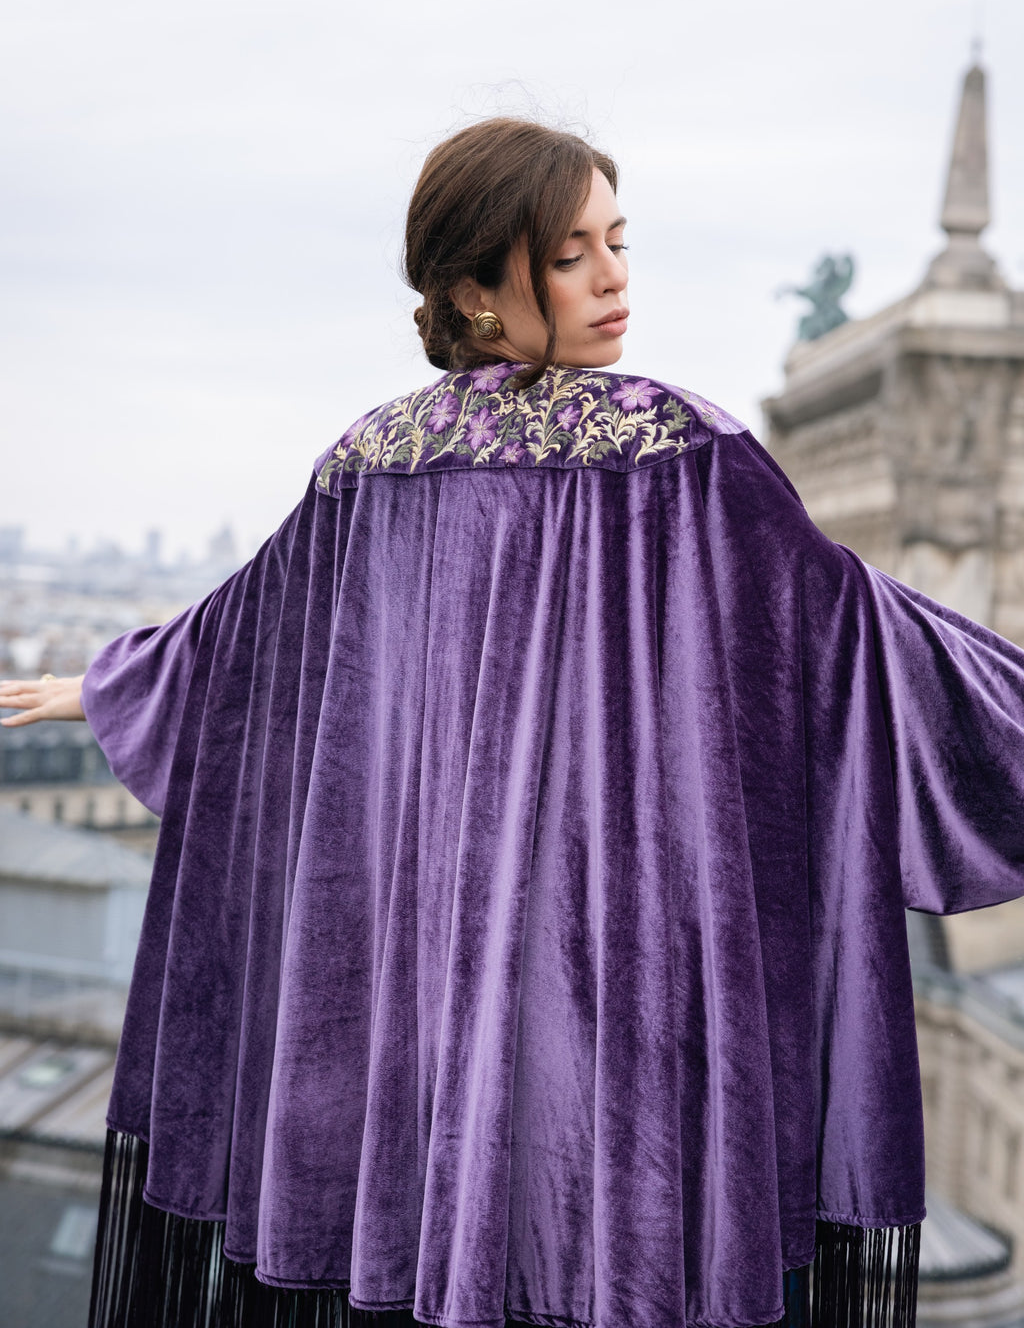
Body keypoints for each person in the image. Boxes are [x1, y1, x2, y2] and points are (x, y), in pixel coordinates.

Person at [4, 116, 1024, 1328]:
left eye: (618, 241)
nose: (614, 279)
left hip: (422, 1019)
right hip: (624, 1014)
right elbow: (860, 646)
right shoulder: (684, 454)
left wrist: (110, 680)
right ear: (479, 289)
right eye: (570, 252)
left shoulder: (372, 463)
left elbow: (250, 646)